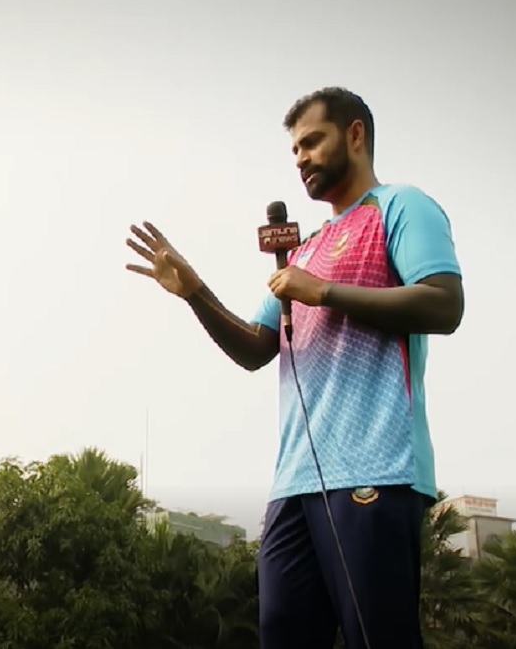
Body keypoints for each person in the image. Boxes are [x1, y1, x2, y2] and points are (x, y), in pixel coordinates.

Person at [124, 87, 464, 649]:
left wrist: (324, 291)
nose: (301, 158)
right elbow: (257, 349)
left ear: (355, 134)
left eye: (312, 142)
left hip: (375, 468)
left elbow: (444, 304)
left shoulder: (402, 206)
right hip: (293, 482)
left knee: (376, 635)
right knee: (282, 632)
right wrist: (195, 292)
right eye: (295, 150)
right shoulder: (304, 251)